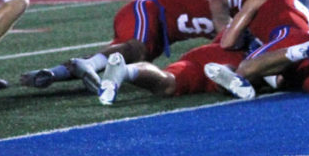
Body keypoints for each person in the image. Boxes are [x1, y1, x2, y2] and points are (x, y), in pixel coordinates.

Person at [20, 0, 243, 91]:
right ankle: (88, 63)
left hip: (159, 35)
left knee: (122, 60)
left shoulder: (243, 9)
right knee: (136, 51)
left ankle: (52, 74)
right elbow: (217, 8)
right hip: (148, 11)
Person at [96, 36, 247, 105]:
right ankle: (229, 73)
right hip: (237, 58)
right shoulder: (265, 26)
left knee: (168, 82)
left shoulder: (245, 15)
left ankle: (126, 71)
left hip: (202, 54)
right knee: (247, 72)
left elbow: (226, 36)